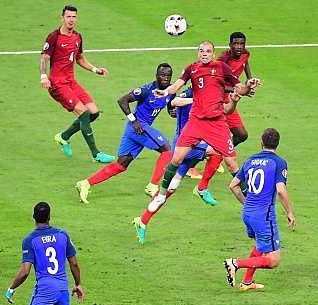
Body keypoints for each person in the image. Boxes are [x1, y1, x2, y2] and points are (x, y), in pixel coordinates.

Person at [145, 40, 261, 214]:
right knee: (176, 159)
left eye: (208, 51)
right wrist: (165, 92)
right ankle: (161, 194)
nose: (204, 53)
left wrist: (248, 86)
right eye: (201, 51)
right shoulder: (191, 69)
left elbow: (240, 89)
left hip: (216, 124)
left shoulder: (222, 68)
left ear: (213, 53)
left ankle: (251, 202)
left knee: (231, 164)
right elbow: (177, 85)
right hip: (196, 123)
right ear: (198, 53)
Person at [133, 91, 244, 244]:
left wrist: (234, 100)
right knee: (218, 150)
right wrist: (195, 99)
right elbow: (173, 102)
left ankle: (143, 220)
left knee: (169, 190)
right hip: (185, 145)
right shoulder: (190, 93)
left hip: (193, 144)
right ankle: (202, 188)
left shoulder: (209, 96)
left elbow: (225, 109)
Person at [74, 63, 176, 203]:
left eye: (168, 75)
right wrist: (133, 121)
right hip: (138, 127)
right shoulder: (146, 90)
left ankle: (85, 183)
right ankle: (152, 186)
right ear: (156, 75)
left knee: (122, 164)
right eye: (162, 75)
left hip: (136, 130)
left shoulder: (171, 92)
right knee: (167, 149)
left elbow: (170, 109)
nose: (165, 78)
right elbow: (122, 100)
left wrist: (173, 112)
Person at [224, 128, 296, 291]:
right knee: (274, 260)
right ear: (277, 145)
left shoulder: (250, 160)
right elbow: (280, 189)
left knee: (259, 245)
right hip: (264, 216)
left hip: (248, 213)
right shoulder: (278, 162)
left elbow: (233, 186)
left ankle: (247, 282)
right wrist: (290, 213)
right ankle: (235, 263)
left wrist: (247, 203)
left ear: (261, 143)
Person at [41, 5, 114, 164]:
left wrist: (96, 69)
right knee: (83, 113)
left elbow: (79, 58)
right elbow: (45, 57)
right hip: (57, 84)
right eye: (68, 17)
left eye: (74, 17)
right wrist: (43, 76)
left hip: (71, 82)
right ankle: (96, 154)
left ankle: (63, 137)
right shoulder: (54, 37)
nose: (71, 20)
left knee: (94, 113)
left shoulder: (77, 37)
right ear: (62, 18)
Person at [218, 32, 253, 147]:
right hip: (217, 100)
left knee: (241, 135)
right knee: (214, 134)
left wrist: (249, 79)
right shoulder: (223, 61)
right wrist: (238, 88)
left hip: (230, 100)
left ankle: (222, 151)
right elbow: (216, 84)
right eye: (235, 44)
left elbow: (245, 62)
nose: (239, 47)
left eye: (241, 44)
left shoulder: (245, 53)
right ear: (230, 45)